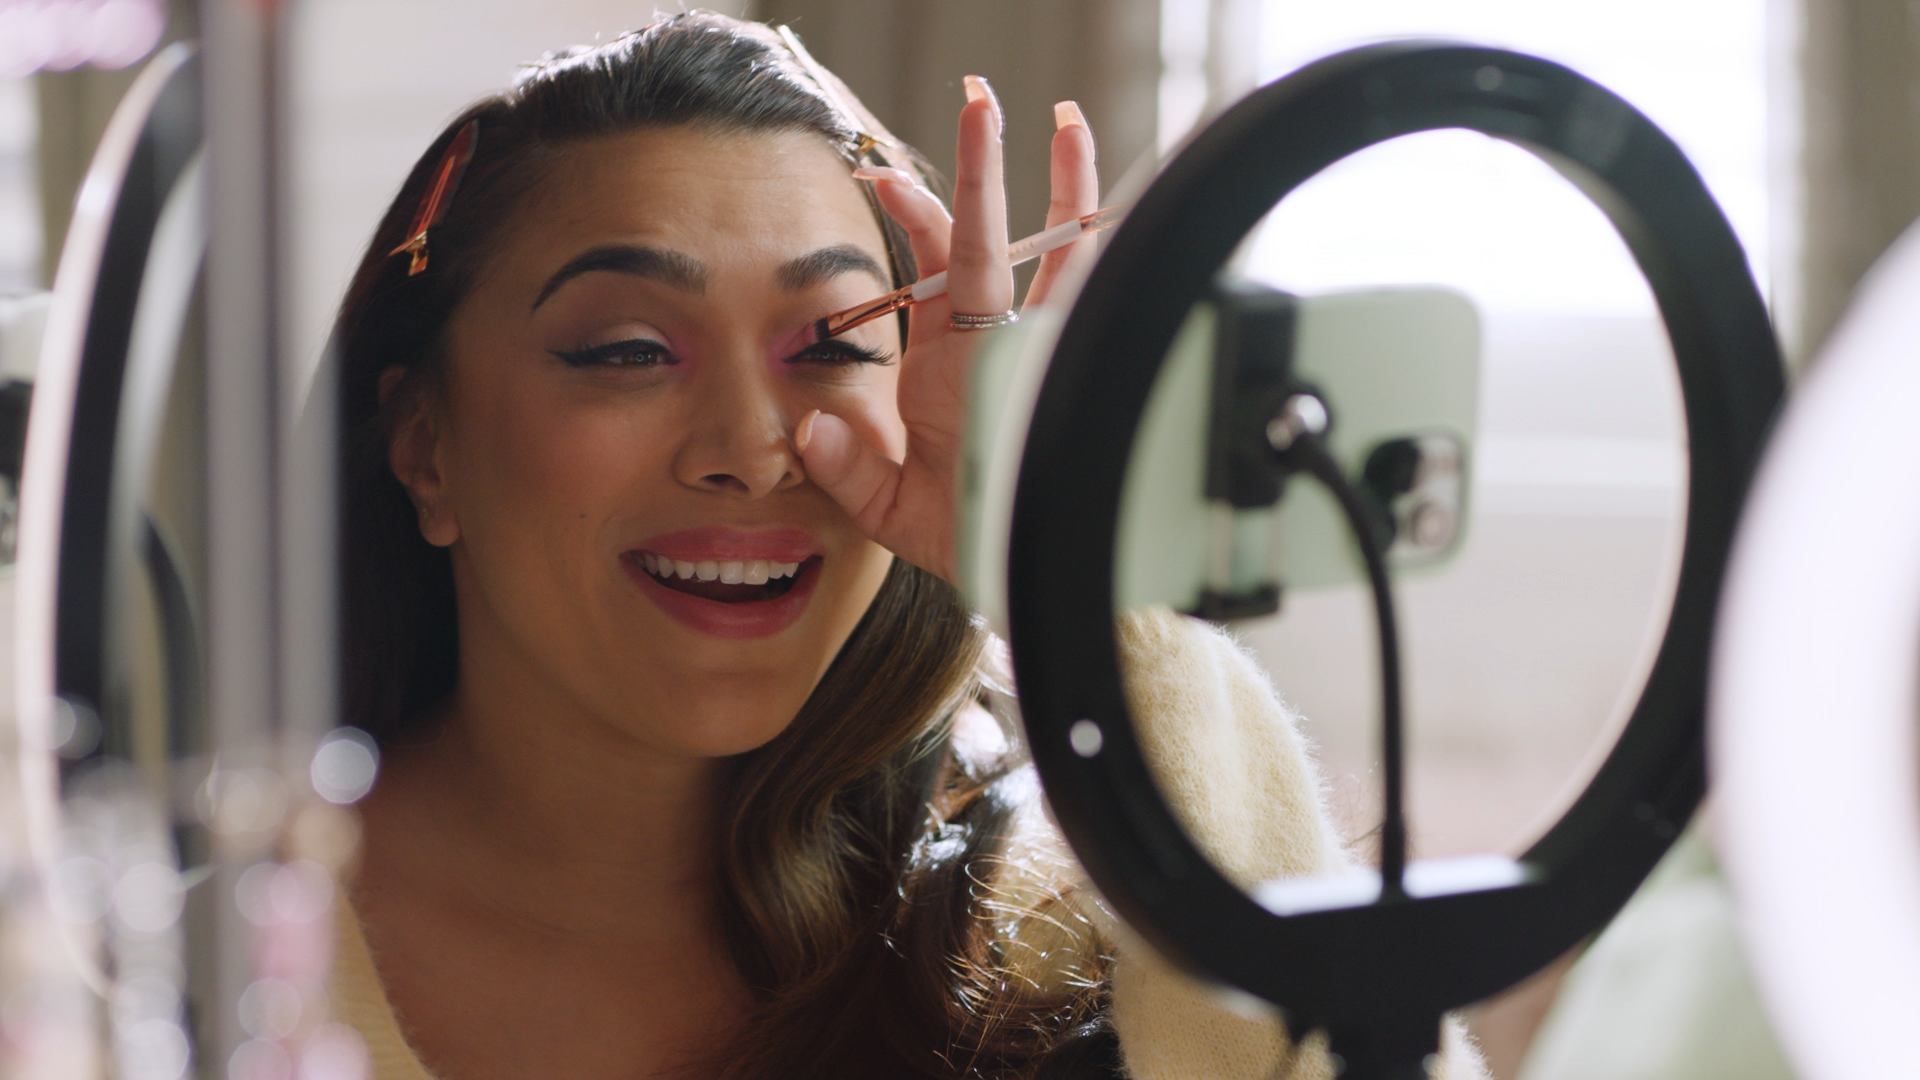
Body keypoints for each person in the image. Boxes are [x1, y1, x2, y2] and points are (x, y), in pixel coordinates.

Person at [327, 13, 1484, 1080]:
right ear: (425, 447)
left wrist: (1074, 562)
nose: (753, 447)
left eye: (831, 343)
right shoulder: (211, 952)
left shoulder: (1046, 919)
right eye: (630, 350)